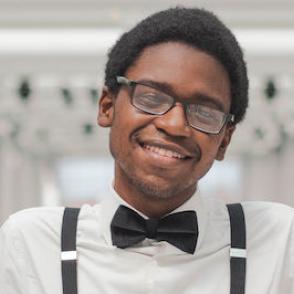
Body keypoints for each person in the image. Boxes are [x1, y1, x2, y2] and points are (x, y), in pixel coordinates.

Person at [0, 7, 293, 294]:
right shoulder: (32, 242)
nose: (175, 125)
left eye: (204, 112)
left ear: (224, 141)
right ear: (107, 107)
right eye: (152, 97)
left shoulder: (276, 240)